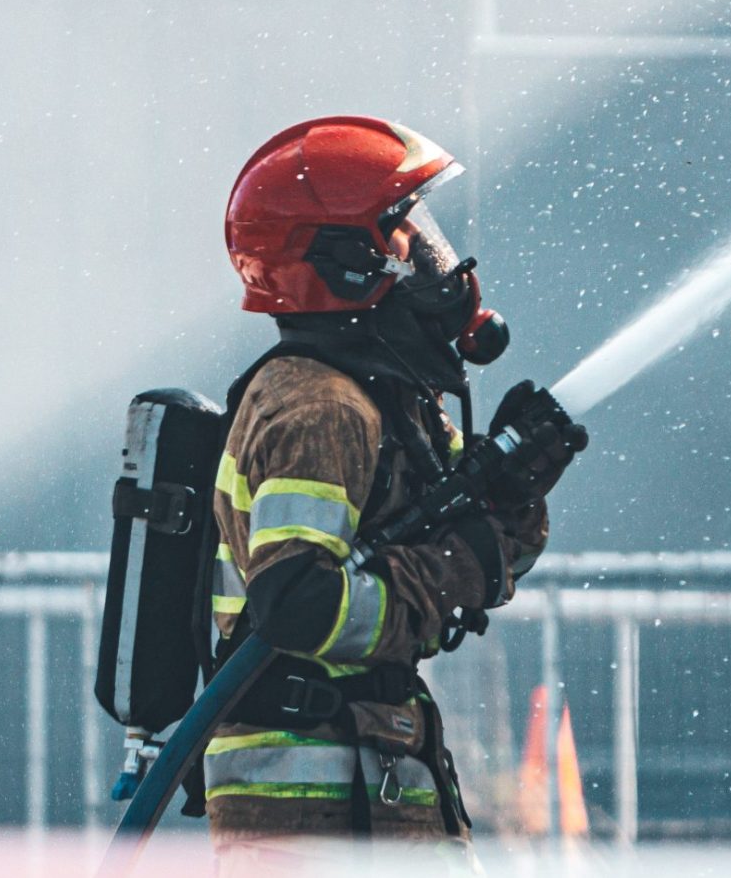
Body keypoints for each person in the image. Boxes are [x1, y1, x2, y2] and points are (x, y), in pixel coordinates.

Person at [206, 115, 587, 868]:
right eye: (405, 235)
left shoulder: (388, 402)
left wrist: (510, 496)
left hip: (373, 769)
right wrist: (455, 562)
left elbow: (486, 555)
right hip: (316, 800)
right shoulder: (318, 407)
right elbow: (300, 607)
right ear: (347, 263)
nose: (438, 263)